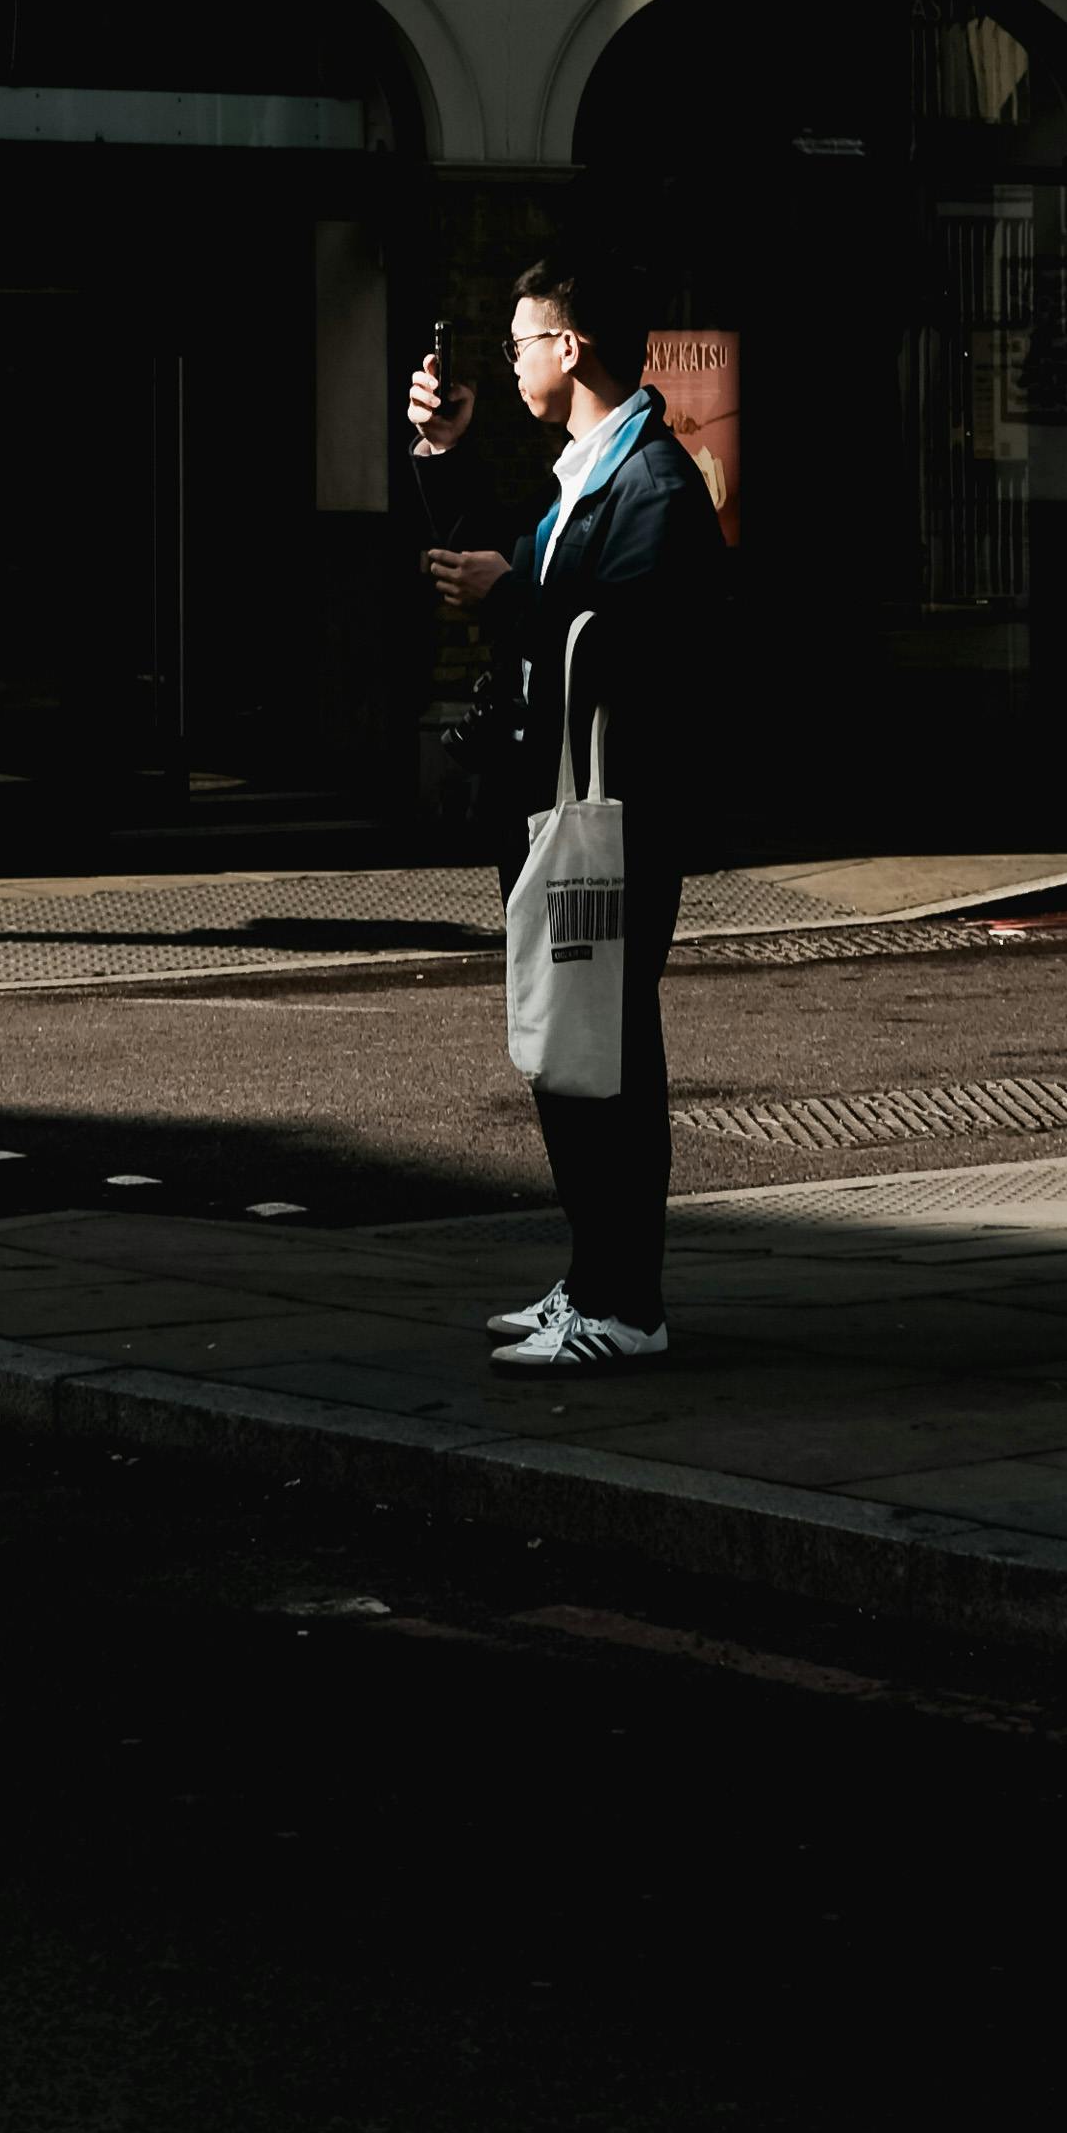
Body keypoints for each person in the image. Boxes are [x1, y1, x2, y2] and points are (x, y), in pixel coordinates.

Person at [410, 256, 733, 1376]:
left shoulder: (651, 486)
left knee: (607, 1053)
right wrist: (445, 465)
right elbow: (527, 606)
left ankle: (624, 1301)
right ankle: (592, 1277)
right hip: (561, 805)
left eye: (519, 342)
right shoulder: (586, 473)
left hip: (615, 816)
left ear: (572, 347)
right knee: (564, 1047)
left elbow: (638, 650)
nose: (508, 361)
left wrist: (517, 599)